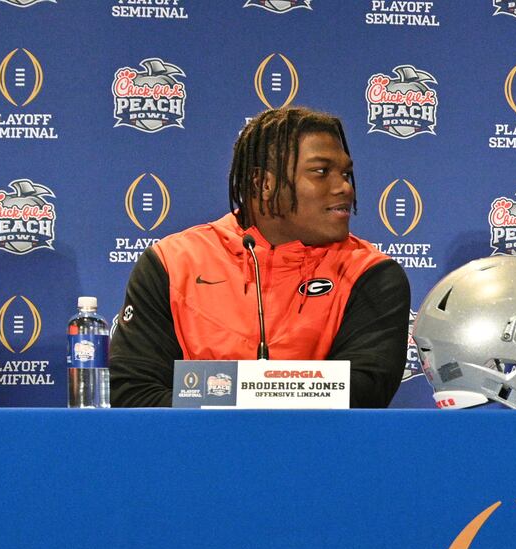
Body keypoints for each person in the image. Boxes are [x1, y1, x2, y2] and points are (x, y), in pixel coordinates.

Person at [110, 107, 410, 407]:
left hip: (317, 453)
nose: (344, 187)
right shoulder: (172, 263)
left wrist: (233, 393)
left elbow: (362, 395)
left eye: (345, 173)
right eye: (321, 172)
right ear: (263, 184)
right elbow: (134, 394)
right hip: (194, 452)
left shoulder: (372, 273)